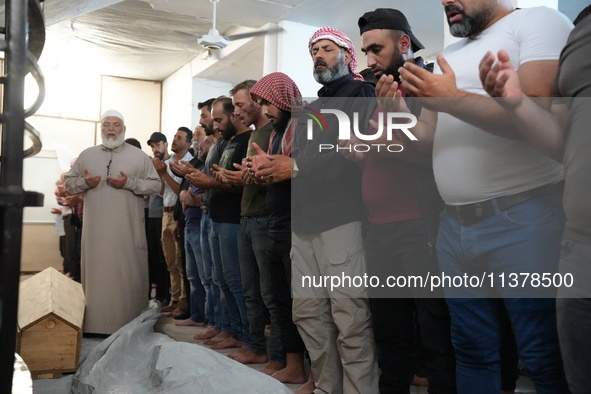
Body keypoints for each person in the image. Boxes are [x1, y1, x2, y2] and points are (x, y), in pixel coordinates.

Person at [389, 1, 572, 392]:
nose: (445, 2)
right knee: (471, 351)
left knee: (541, 352)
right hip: (454, 226)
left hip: (523, 217)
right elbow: (427, 143)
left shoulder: (538, 20)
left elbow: (539, 117)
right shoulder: (450, 54)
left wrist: (451, 96)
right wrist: (398, 116)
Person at [478, 5, 591, 393]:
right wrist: (516, 103)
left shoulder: (545, 22)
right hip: (582, 248)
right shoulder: (582, 30)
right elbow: (562, 143)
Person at [356, 8, 456, 393]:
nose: (369, 61)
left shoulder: (426, 83)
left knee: (433, 334)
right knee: (390, 332)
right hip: (378, 229)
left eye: (376, 49)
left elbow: (427, 150)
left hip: (418, 226)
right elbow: (378, 150)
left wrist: (393, 124)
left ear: (403, 44)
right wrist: (359, 150)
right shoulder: (380, 89)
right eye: (365, 51)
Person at [289, 27, 379, 394]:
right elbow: (305, 157)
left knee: (350, 319)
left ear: (346, 54)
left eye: (327, 49)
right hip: (305, 223)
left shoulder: (362, 94)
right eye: (314, 51)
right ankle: (327, 388)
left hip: (343, 220)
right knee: (309, 316)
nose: (319, 56)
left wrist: (291, 168)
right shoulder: (313, 107)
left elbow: (347, 158)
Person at [65, 110, 161, 334]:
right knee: (98, 279)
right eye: (106, 124)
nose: (110, 128)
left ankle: (129, 324)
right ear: (101, 129)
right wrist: (84, 182)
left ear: (124, 129)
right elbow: (70, 183)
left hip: (127, 233)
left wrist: (130, 183)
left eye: (116, 124)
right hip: (96, 235)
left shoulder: (139, 157)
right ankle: (95, 325)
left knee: (127, 275)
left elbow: (156, 186)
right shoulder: (87, 155)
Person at [248, 71, 309, 387]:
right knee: (280, 299)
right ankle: (291, 363)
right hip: (275, 223)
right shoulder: (275, 133)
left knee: (303, 303)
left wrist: (283, 168)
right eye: (260, 104)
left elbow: (313, 169)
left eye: (268, 103)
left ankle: (309, 368)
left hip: (297, 224)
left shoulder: (306, 125)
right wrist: (259, 171)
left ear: (284, 99)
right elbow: (276, 173)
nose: (265, 111)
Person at [152, 127, 194, 318]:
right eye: (174, 137)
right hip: (165, 213)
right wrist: (161, 173)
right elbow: (162, 192)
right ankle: (173, 299)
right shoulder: (167, 163)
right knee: (169, 261)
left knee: (179, 261)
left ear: (188, 143)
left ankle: (184, 302)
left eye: (179, 138)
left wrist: (165, 174)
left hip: (179, 215)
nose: (175, 140)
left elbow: (180, 191)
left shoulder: (190, 163)